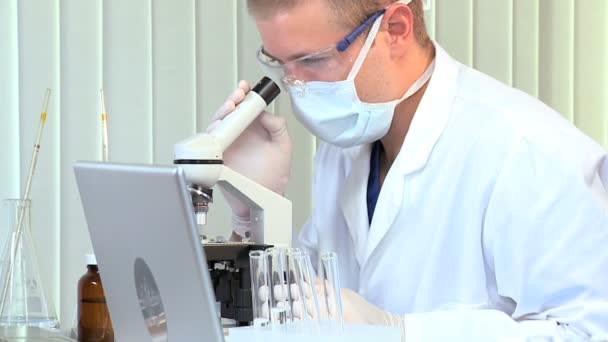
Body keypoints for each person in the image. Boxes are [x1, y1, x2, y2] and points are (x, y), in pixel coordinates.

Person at [207, 0, 608, 338]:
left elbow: (586, 331)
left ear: (396, 28)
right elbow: (306, 306)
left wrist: (402, 331)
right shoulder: (346, 147)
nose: (296, 85)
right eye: (279, 63)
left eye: (312, 60)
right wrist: (256, 206)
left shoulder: (527, 150)